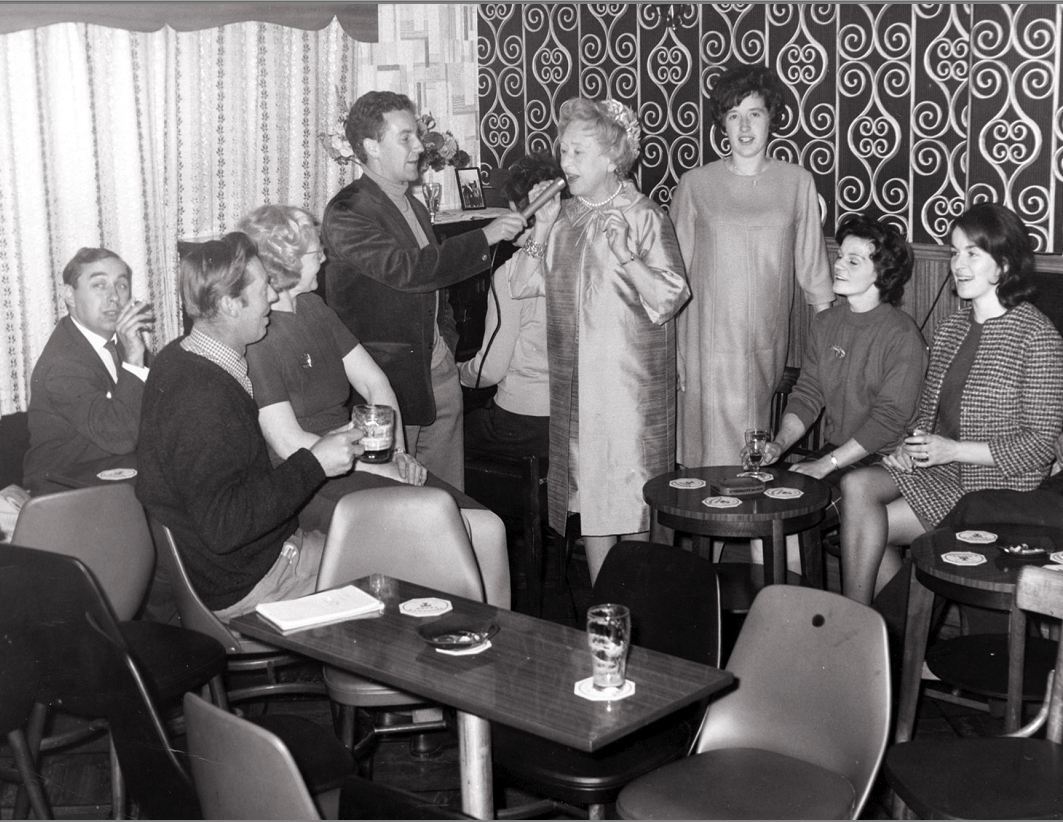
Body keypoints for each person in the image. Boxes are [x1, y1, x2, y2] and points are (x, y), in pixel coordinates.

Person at [840, 202, 1063, 605]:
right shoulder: (952, 325)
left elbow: (1039, 446)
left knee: (866, 533)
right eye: (954, 252)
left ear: (1004, 264)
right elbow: (926, 415)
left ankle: (867, 634)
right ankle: (868, 630)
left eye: (972, 254)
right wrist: (909, 449)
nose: (957, 264)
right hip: (942, 471)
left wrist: (953, 450)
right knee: (856, 488)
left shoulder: (1038, 337)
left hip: (995, 488)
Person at [510, 98, 690, 583]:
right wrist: (540, 231)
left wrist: (628, 258)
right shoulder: (563, 216)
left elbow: (672, 296)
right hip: (576, 385)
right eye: (563, 151)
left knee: (632, 497)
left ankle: (642, 609)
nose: (566, 163)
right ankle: (604, 606)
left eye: (578, 152)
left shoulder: (643, 214)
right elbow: (522, 284)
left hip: (630, 389)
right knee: (589, 496)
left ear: (612, 156)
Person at [136, 232, 362, 619]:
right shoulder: (201, 397)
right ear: (229, 304)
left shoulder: (179, 356)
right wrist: (315, 463)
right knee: (395, 565)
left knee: (375, 535)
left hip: (246, 563)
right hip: (251, 582)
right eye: (263, 290)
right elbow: (224, 526)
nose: (273, 298)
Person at [322, 90, 525, 491]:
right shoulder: (347, 212)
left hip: (438, 374)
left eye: (417, 135)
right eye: (406, 138)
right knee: (398, 505)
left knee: (447, 499)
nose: (419, 146)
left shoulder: (412, 205)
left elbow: (437, 288)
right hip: (389, 385)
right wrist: (483, 237)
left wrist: (445, 344)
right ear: (370, 147)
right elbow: (409, 271)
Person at [673, 63, 833, 468]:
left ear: (770, 119)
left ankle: (747, 528)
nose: (744, 127)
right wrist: (671, 349)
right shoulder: (696, 184)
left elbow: (813, 269)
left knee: (752, 446)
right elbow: (672, 275)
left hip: (762, 339)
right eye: (733, 115)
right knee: (706, 455)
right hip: (702, 341)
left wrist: (832, 339)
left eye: (754, 114)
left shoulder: (797, 182)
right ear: (721, 125)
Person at [240, 204, 426, 532]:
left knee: (480, 524)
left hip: (354, 457)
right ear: (285, 263)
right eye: (316, 252)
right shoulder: (259, 332)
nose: (324, 258)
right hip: (307, 476)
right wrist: (375, 466)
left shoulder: (313, 306)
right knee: (431, 522)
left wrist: (395, 452)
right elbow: (287, 442)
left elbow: (374, 383)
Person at [762, 213, 927, 479]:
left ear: (882, 273)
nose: (838, 265)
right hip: (837, 453)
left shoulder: (903, 335)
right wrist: (780, 444)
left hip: (888, 462)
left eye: (853, 261)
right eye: (839, 256)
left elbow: (888, 421)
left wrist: (826, 464)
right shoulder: (825, 323)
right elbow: (808, 394)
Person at [23, 247, 155, 495]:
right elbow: (121, 437)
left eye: (122, 285)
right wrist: (135, 359)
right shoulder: (62, 364)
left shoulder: (120, 341)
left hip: (113, 480)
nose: (114, 296)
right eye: (99, 285)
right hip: (65, 495)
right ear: (70, 296)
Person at [458, 153, 561, 461]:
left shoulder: (511, 274)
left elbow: (489, 371)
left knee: (453, 434)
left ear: (518, 209)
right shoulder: (580, 259)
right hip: (576, 419)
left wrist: (458, 373)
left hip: (527, 421)